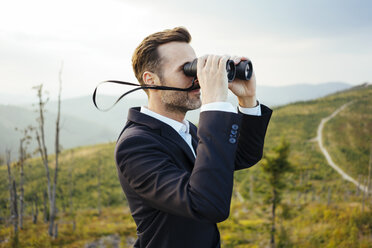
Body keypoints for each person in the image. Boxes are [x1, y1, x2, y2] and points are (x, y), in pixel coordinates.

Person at [114, 27, 272, 248]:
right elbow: (206, 204)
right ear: (150, 80)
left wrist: (247, 99)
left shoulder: (187, 130)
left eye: (196, 67)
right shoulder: (136, 144)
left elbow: (243, 156)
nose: (197, 78)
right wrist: (213, 104)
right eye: (187, 70)